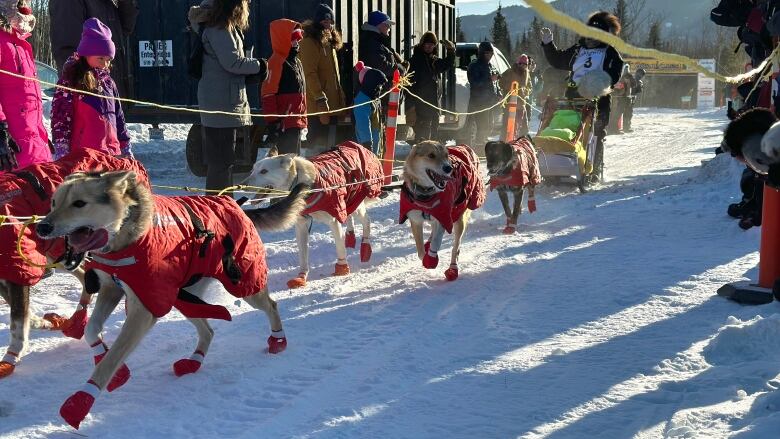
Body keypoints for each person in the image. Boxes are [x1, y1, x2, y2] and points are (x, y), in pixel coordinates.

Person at [188, 0, 267, 191]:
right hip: (222, 103)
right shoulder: (220, 28)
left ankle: (222, 207)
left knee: (223, 161)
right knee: (221, 163)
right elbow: (232, 62)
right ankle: (218, 209)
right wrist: (261, 64)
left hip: (222, 100)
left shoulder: (217, 24)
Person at [540, 11, 625, 182]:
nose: (590, 38)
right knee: (566, 127)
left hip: (598, 97)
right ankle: (558, 165)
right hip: (572, 95)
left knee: (596, 133)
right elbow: (558, 61)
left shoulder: (609, 52)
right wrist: (548, 44)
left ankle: (593, 168)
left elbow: (615, 73)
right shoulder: (578, 49)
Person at [51, 18, 132, 159]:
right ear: (86, 53)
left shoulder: (109, 83)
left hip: (112, 154)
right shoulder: (71, 80)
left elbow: (119, 117)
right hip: (84, 157)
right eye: (101, 58)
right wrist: (61, 148)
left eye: (108, 60)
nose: (105, 64)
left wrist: (125, 147)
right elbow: (61, 118)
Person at [49, 0, 138, 98]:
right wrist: (88, 93)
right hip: (91, 98)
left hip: (111, 95)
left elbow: (126, 28)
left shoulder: (105, 3)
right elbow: (67, 51)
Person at [0, 0, 50, 172]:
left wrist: (41, 133)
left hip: (33, 143)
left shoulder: (20, 42)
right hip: (12, 150)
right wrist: (1, 130)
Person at [300, 4, 346, 153]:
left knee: (329, 146)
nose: (328, 24)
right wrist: (320, 99)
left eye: (330, 21)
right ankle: (313, 172)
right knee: (316, 144)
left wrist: (341, 98)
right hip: (318, 104)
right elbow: (309, 74)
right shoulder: (309, 42)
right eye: (325, 21)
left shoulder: (329, 43)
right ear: (317, 21)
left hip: (332, 104)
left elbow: (333, 76)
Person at [262, 19, 306, 155]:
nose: (297, 42)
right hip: (284, 124)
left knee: (294, 162)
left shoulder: (296, 61)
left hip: (296, 121)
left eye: (298, 38)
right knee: (286, 165)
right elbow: (267, 94)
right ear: (284, 38)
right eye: (294, 38)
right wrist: (273, 123)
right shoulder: (275, 62)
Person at [405, 31, 455, 143]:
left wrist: (451, 51)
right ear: (422, 45)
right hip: (420, 106)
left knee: (433, 134)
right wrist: (410, 106)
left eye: (432, 45)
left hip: (433, 105)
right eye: (427, 44)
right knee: (423, 135)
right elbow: (408, 86)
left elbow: (447, 64)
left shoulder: (434, 60)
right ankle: (422, 157)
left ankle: (429, 157)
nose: (429, 47)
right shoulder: (414, 61)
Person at [467, 41, 502, 148]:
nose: (490, 56)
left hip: (490, 102)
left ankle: (482, 144)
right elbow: (475, 83)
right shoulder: (474, 66)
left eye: (491, 53)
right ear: (481, 53)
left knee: (489, 125)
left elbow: (496, 82)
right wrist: (489, 79)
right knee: (482, 126)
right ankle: (479, 147)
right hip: (479, 102)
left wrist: (499, 93)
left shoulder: (491, 66)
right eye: (487, 53)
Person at [358, 10, 406, 81]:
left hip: (378, 86)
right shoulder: (372, 42)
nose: (389, 28)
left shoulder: (376, 40)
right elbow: (382, 67)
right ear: (379, 25)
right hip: (376, 88)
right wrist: (401, 69)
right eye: (387, 24)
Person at [353, 61, 387, 154]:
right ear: (370, 83)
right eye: (379, 85)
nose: (380, 88)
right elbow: (362, 123)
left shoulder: (373, 98)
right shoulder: (362, 100)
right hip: (366, 147)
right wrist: (367, 143)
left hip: (374, 147)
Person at [500, 54, 532, 138]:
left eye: (525, 64)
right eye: (522, 64)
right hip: (509, 104)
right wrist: (511, 88)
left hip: (521, 104)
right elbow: (501, 83)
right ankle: (503, 142)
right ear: (518, 63)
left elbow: (529, 87)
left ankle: (522, 143)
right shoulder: (510, 72)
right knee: (507, 126)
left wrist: (524, 91)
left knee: (523, 127)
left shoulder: (527, 74)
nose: (523, 66)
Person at [608, 64, 632, 135]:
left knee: (617, 114)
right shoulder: (617, 76)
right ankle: (613, 129)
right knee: (615, 114)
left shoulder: (623, 77)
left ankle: (614, 128)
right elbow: (615, 86)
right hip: (616, 99)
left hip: (619, 99)